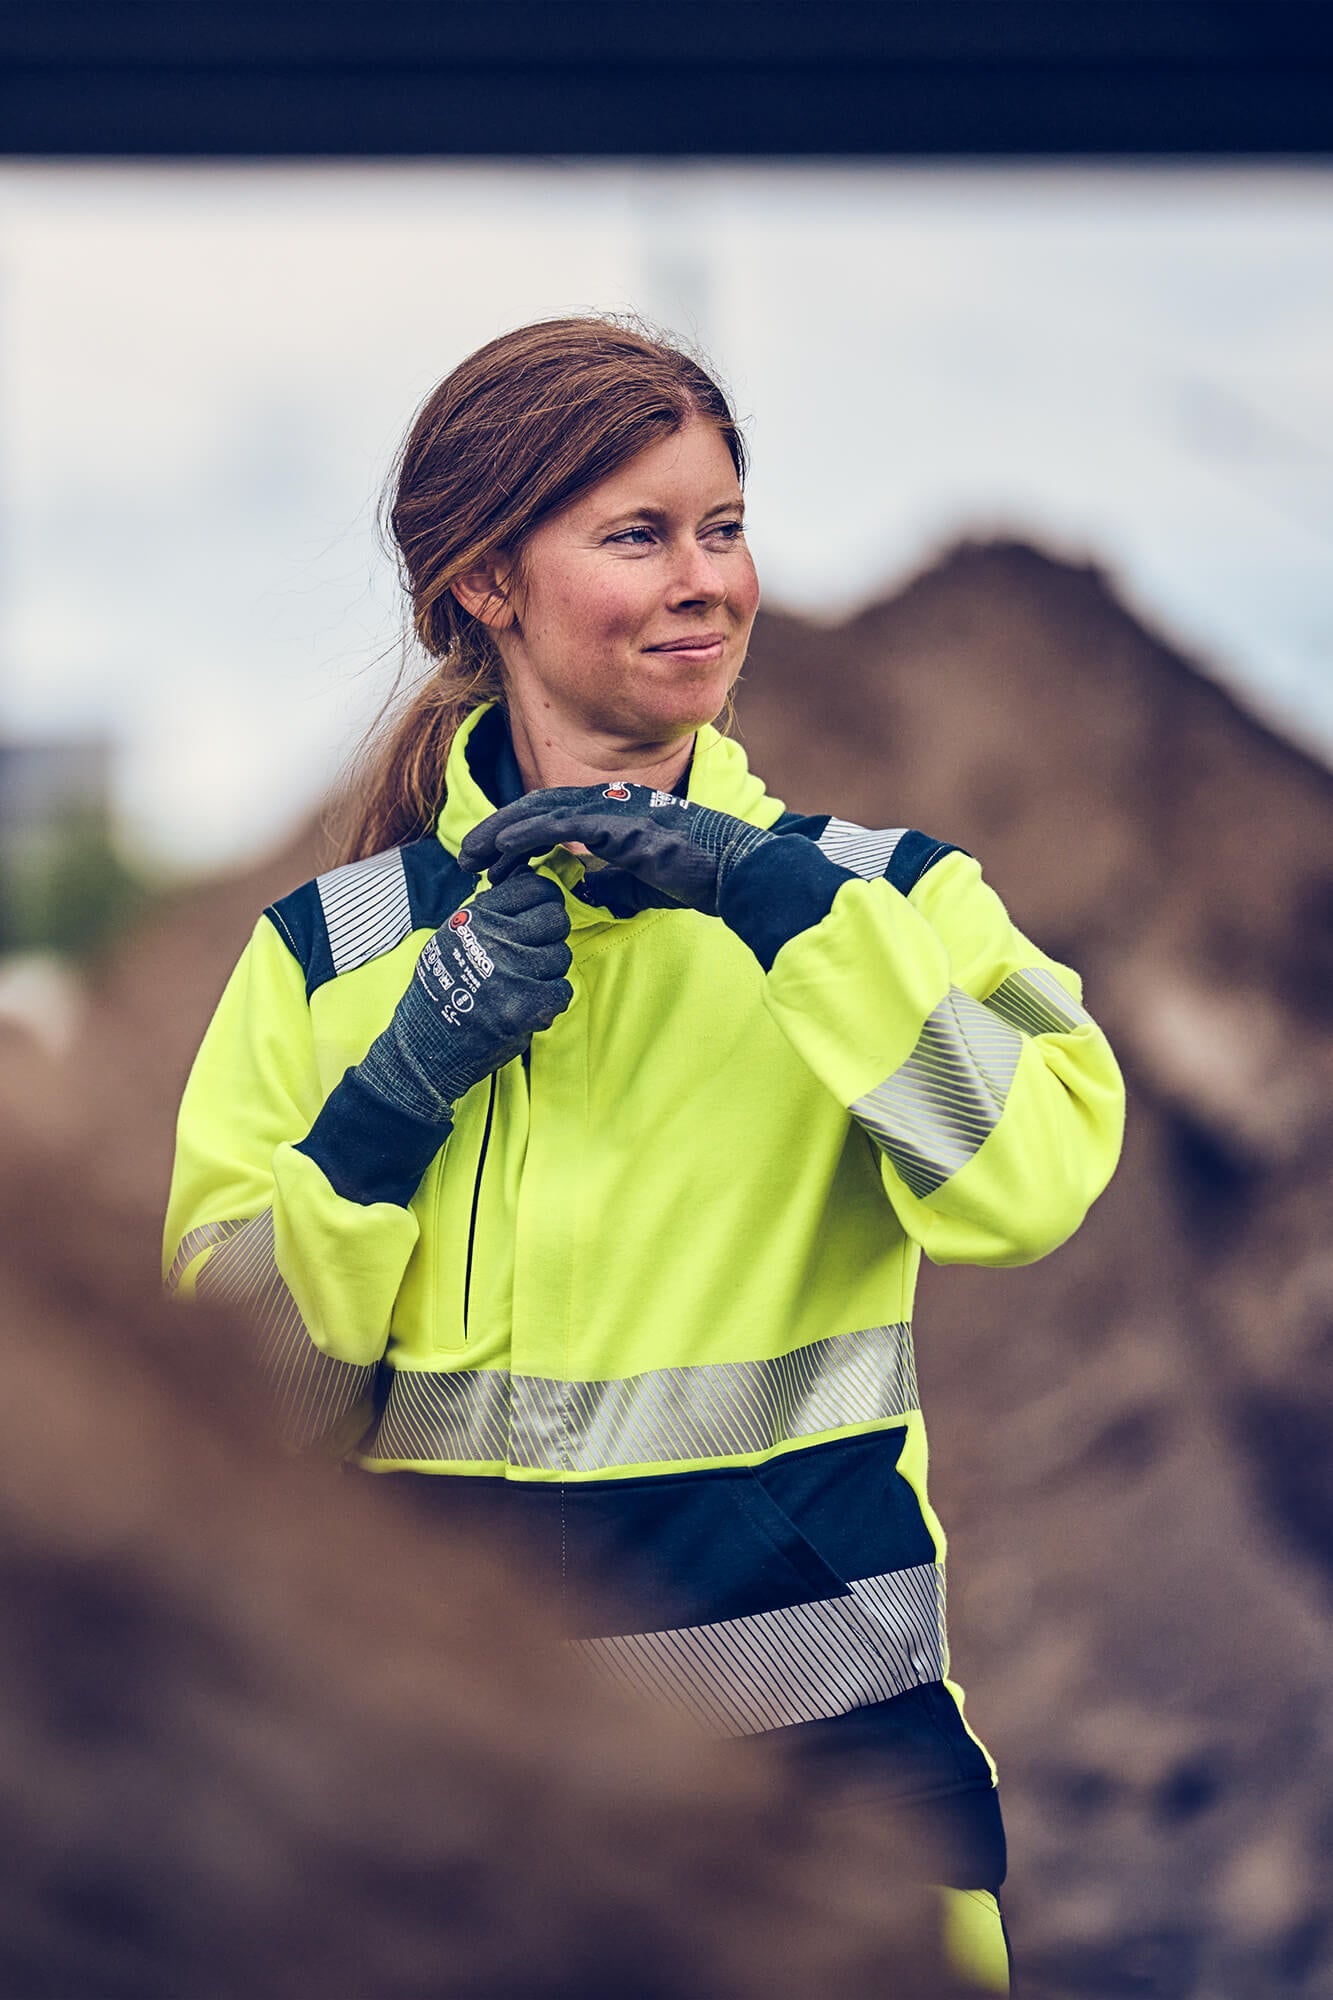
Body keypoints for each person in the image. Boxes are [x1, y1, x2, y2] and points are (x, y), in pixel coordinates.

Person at [165, 315, 1125, 1993]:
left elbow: (1028, 1187)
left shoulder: (879, 906)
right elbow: (228, 1408)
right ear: (485, 581)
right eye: (638, 535)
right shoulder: (331, 961)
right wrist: (394, 1096)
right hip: (451, 1819)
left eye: (724, 526)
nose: (706, 581)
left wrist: (775, 908)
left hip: (832, 1810)